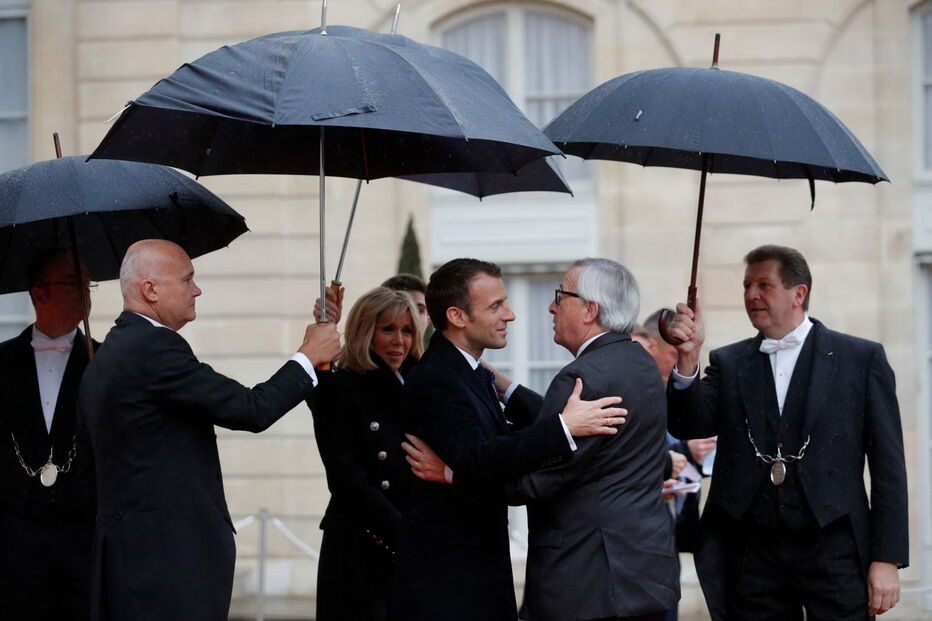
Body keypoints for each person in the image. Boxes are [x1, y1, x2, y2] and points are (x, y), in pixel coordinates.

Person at [78, 239, 341, 621]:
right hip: (165, 564)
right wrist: (308, 356)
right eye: (187, 280)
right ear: (150, 289)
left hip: (133, 559)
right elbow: (251, 409)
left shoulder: (113, 351)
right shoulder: (153, 348)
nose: (197, 289)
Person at [665, 244, 908, 620]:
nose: (751, 295)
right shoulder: (728, 362)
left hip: (834, 547)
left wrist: (886, 558)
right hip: (751, 553)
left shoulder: (860, 358)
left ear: (799, 294)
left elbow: (889, 466)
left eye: (764, 284)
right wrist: (687, 357)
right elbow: (688, 424)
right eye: (746, 286)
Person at [389, 258, 627, 621]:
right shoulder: (438, 378)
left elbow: (497, 444)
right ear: (457, 316)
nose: (511, 315)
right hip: (449, 586)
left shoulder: (470, 372)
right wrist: (563, 427)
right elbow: (481, 458)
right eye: (496, 305)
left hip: (476, 575)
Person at [507, 258, 680, 621]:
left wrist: (455, 474)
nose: (551, 306)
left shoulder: (581, 377)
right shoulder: (640, 362)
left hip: (587, 584)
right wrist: (507, 389)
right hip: (644, 576)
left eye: (560, 295)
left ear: (590, 310)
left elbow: (538, 481)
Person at [308, 287, 423, 621]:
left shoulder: (421, 384)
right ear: (364, 331)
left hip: (413, 545)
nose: (399, 341)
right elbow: (346, 479)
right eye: (387, 329)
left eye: (407, 330)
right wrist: (323, 328)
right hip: (360, 546)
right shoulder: (339, 386)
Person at [0, 249, 98, 620]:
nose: (86, 294)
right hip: (13, 541)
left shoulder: (103, 362)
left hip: (84, 538)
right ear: (39, 292)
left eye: (89, 286)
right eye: (75, 284)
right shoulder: (2, 362)